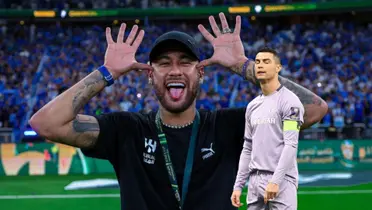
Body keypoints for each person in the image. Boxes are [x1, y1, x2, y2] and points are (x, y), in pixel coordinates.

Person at [29, 13, 327, 210]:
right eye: (163, 62)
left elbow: (313, 109)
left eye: (185, 62)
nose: (175, 70)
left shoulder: (231, 126)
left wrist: (241, 64)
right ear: (150, 74)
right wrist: (107, 72)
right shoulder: (127, 130)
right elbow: (46, 124)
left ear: (201, 73)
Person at [231, 47, 304, 210]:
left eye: (266, 61)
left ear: (278, 67)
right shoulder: (252, 106)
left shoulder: (290, 102)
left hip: (282, 181)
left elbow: (291, 145)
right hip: (255, 181)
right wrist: (238, 186)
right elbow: (247, 148)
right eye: (257, 62)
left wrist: (275, 181)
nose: (260, 65)